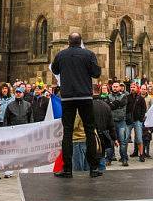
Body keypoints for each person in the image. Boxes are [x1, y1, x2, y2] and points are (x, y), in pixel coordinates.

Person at [51, 31, 101, 178]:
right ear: (80, 42)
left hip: (67, 98)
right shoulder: (88, 54)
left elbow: (55, 70)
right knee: (89, 130)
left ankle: (67, 169)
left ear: (68, 42)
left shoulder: (61, 55)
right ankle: (93, 168)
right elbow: (96, 73)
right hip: (85, 97)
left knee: (67, 132)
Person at [108, 81, 129, 166]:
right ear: (111, 87)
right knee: (110, 142)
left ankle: (124, 159)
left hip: (121, 122)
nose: (115, 88)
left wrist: (112, 104)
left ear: (120, 88)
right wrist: (114, 105)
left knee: (123, 142)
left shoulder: (124, 96)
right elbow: (108, 106)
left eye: (117, 86)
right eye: (114, 86)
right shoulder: (108, 96)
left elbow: (121, 104)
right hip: (111, 122)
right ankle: (108, 159)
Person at [126, 82, 147, 162]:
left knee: (139, 138)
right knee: (126, 138)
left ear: (137, 88)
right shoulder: (127, 97)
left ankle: (141, 155)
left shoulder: (140, 98)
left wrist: (140, 119)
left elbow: (144, 109)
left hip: (137, 121)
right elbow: (125, 108)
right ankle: (124, 155)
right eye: (131, 87)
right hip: (129, 121)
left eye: (134, 87)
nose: (132, 88)